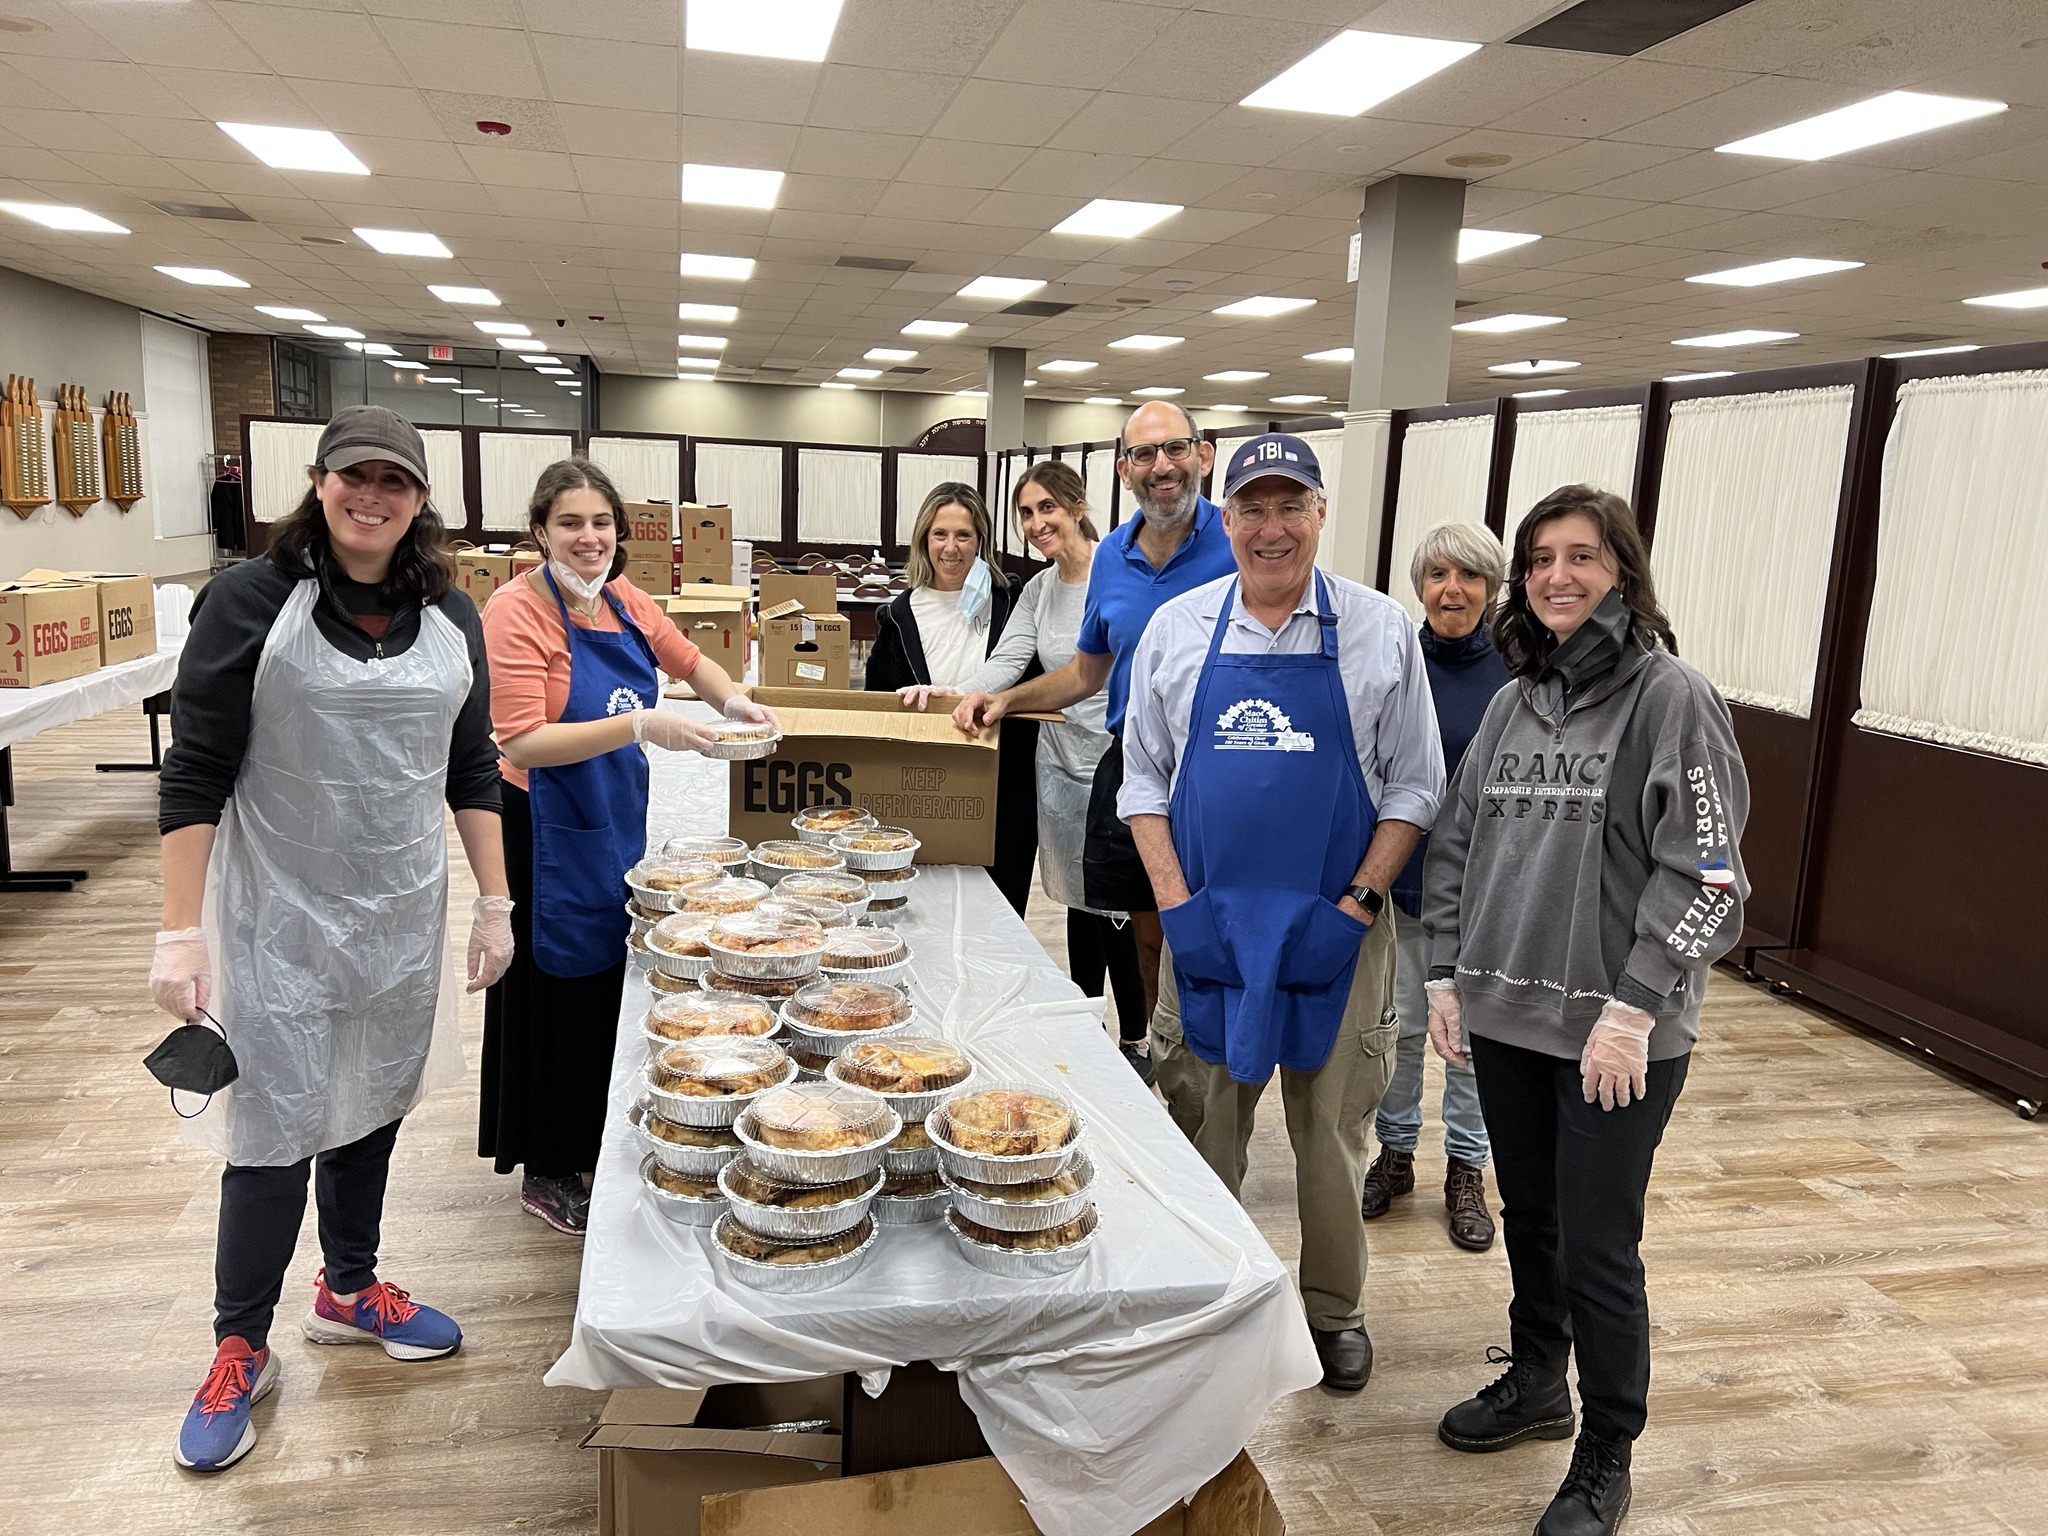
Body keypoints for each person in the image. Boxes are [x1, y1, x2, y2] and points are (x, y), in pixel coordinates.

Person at [152, 405, 514, 1473]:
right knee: (271, 1130)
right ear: (316, 484)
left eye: (393, 483)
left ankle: (349, 1288)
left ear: (419, 503)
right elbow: (196, 767)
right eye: (354, 477)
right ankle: (238, 1344)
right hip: (277, 915)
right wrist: (180, 931)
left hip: (399, 913)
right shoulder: (250, 600)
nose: (373, 497)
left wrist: (493, 903)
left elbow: (473, 765)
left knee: (369, 1105)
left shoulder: (450, 612)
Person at [1423, 485, 1749, 1536]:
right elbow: (1457, 841)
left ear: (1621, 573)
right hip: (1509, 1023)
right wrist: (1442, 972)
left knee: (1599, 1247)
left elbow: (1710, 879)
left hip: (1616, 1039)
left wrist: (1636, 1003)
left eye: (1580, 557)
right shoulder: (1515, 702)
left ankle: (1606, 1447)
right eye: (1538, 560)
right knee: (1534, 1223)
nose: (1556, 576)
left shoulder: (1671, 698)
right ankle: (1534, 1382)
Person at [1121, 433, 1445, 1394]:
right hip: (1210, 926)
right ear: (1227, 521)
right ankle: (1207, 1297)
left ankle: (1331, 1312)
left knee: (1333, 1131)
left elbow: (1417, 785)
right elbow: (1142, 777)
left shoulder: (1382, 630)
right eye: (1252, 509)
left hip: (1338, 930)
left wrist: (1356, 901)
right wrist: (1176, 904)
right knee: (1201, 1119)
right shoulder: (1178, 630)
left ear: (1318, 515)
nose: (1271, 528)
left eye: (1289, 506)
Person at [479, 458, 775, 1234]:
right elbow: (522, 738)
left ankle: (590, 1133)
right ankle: (547, 1165)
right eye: (570, 523)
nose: (589, 537)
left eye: (601, 523)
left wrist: (735, 699)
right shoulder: (516, 610)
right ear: (540, 531)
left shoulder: (623, 599)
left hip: (609, 810)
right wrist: (642, 724)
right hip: (541, 819)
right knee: (553, 988)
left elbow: (688, 658)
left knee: (605, 978)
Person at [952, 402, 1237, 1061]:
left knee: (1201, 931)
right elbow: (1085, 671)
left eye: (1174, 450)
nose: (1161, 466)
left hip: (1218, 773)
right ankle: (1151, 1058)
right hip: (1126, 768)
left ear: (1204, 454)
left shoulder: (1239, 541)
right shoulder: (1114, 557)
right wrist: (995, 700)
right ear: (1123, 470)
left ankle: (1201, 1069)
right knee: (1125, 921)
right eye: (1144, 455)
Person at [901, 462, 1146, 1066]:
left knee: (1118, 907)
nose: (1038, 524)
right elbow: (1006, 661)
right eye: (1028, 513)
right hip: (1060, 767)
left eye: (1048, 510)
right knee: (1076, 902)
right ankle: (1088, 1022)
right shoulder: (1038, 590)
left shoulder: (1119, 575)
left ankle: (1137, 1037)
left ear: (1077, 507)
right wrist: (953, 696)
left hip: (1118, 765)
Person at [1364, 522, 1511, 1250]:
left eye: (1470, 577)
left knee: (1469, 1043)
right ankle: (1393, 1155)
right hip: (1403, 882)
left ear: (1492, 587)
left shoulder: (1518, 671)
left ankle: (1465, 1170)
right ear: (1419, 585)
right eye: (1438, 575)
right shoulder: (1394, 659)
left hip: (1485, 896)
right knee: (1399, 1030)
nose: (1452, 590)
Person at [865, 481, 1039, 915]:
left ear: (981, 540)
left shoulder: (1013, 605)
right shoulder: (898, 618)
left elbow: (1035, 689)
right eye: (940, 534)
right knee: (923, 910)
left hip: (1004, 787)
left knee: (1000, 914)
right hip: (921, 792)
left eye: (964, 535)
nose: (951, 548)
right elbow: (875, 707)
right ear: (924, 538)